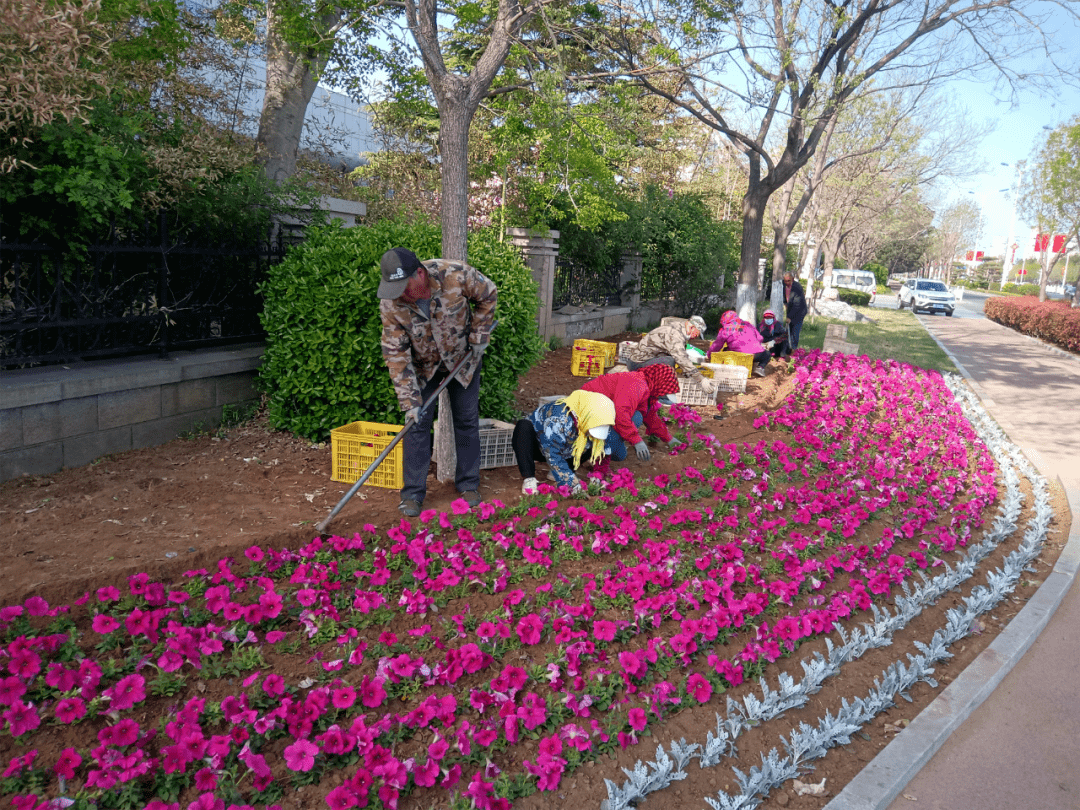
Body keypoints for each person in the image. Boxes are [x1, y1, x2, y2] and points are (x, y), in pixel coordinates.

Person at [378, 247, 497, 517]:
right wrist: (409, 400)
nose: (399, 294)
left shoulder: (454, 274)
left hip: (462, 359)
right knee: (416, 424)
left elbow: (488, 294)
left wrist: (479, 337)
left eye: (403, 286)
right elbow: (395, 353)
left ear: (419, 274)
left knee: (466, 420)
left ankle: (468, 485)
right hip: (424, 367)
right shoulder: (391, 303)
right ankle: (412, 495)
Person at [513, 391, 616, 496]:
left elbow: (604, 449)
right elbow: (552, 453)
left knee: (593, 441)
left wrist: (598, 476)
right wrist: (574, 484)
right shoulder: (559, 419)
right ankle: (529, 478)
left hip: (567, 450)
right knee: (523, 427)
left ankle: (562, 472)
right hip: (541, 447)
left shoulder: (604, 418)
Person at [579, 364, 682, 464]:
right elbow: (620, 414)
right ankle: (594, 447)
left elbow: (650, 416)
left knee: (620, 455)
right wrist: (636, 440)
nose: (662, 396)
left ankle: (603, 442)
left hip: (602, 411)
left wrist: (669, 438)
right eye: (664, 393)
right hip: (589, 410)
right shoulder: (637, 385)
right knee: (636, 418)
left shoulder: (647, 386)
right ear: (659, 383)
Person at [623, 316, 718, 396]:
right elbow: (681, 359)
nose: (696, 337)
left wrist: (689, 371)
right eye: (697, 333)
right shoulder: (675, 334)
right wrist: (700, 379)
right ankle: (662, 395)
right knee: (670, 361)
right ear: (692, 327)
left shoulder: (679, 327)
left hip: (645, 359)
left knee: (673, 359)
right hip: (637, 364)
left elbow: (680, 353)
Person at [709, 310, 771, 376]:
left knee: (726, 350)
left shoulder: (725, 329)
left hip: (737, 355)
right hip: (754, 355)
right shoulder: (748, 325)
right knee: (767, 354)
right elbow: (760, 338)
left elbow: (717, 346)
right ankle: (760, 368)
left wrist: (710, 355)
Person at [782, 272, 808, 351]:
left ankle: (794, 349)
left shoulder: (797, 287)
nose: (787, 283)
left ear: (792, 279)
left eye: (788, 281)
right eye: (785, 281)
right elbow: (784, 297)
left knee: (795, 331)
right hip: (790, 309)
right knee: (788, 330)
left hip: (799, 311)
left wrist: (789, 317)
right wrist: (785, 304)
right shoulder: (783, 285)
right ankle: (787, 348)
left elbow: (797, 304)